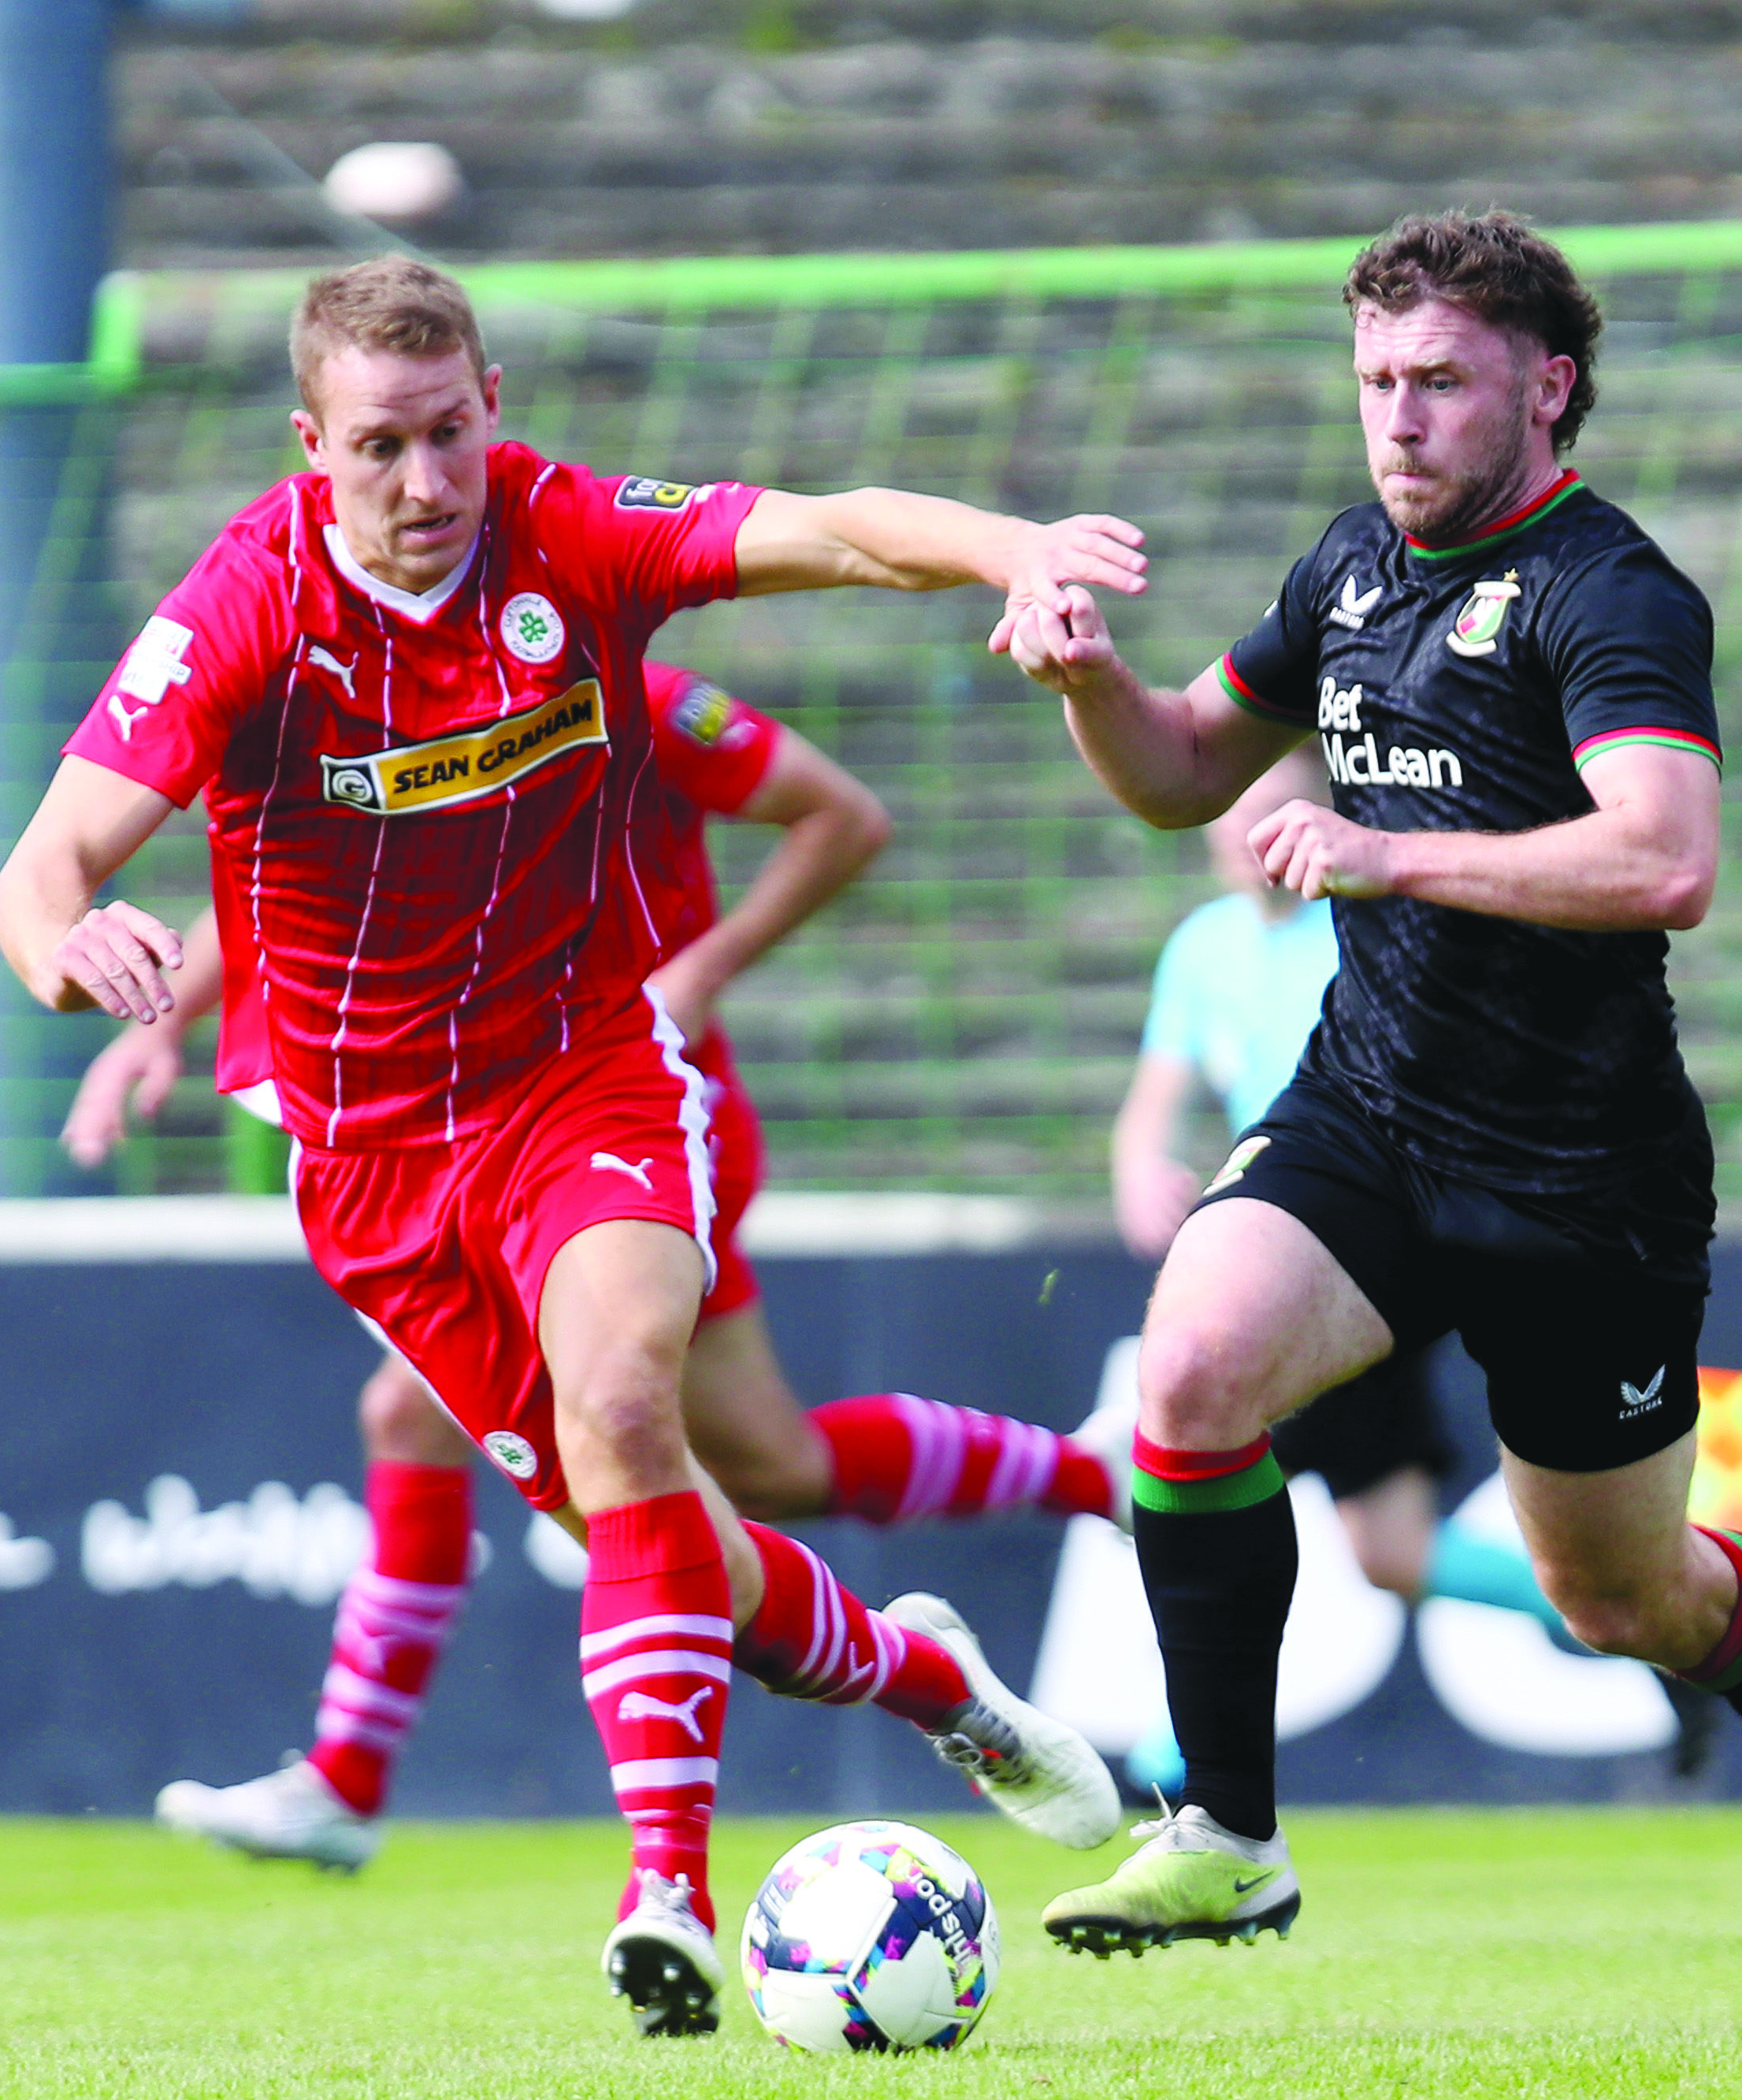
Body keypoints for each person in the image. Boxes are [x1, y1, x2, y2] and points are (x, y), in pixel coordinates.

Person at [0, 257, 1141, 2036]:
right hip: (368, 1159)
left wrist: (1012, 549)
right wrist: (67, 943)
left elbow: (833, 529)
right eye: (381, 445)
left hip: (587, 1073)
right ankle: (937, 1677)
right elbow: (37, 869)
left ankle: (664, 1886)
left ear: (493, 402)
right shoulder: (244, 602)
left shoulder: (572, 532)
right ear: (314, 445)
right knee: (667, 1510)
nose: (427, 479)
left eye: (451, 430)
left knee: (629, 1410)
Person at [999, 210, 1742, 1954]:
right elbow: (1182, 770)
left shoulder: (1609, 590)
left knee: (1618, 1590)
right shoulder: (1346, 566)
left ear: (1545, 387)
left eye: (1437, 382)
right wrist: (1086, 680)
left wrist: (1391, 857)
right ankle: (1228, 1833)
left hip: (1580, 1172)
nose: (1395, 419)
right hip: (1373, 1112)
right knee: (1187, 1371)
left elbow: (1662, 860)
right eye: (1371, 383)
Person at [65, 659, 1127, 1870]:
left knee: (478, 1432)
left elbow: (843, 814)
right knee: (764, 1463)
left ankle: (363, 1782)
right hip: (498, 1132)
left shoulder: (642, 691)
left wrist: (699, 974)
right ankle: (1081, 1484)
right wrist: (170, 1016)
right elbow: (284, 886)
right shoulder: (392, 705)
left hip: (630, 1114)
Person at [1109, 744, 1718, 1797]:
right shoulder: (1202, 947)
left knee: (1191, 1466)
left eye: (1275, 810)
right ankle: (1662, 1627)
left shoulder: (1360, 934)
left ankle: (1174, 1767)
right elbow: (1152, 1099)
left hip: (1354, 1259)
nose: (1248, 834)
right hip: (1278, 1256)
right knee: (1390, 1550)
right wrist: (1139, 1167)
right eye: (1233, 809)